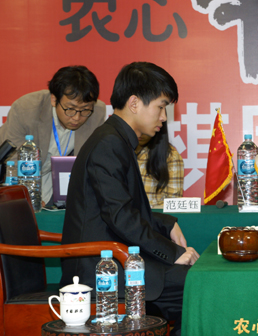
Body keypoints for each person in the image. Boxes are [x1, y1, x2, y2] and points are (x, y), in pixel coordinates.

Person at [60, 62, 199, 336]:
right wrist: (173, 253)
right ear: (134, 103)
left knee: (193, 284)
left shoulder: (116, 139)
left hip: (113, 255)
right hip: (99, 269)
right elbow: (120, 216)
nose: (164, 117)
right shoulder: (109, 144)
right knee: (197, 285)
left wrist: (165, 223)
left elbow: (117, 208)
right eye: (160, 107)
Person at [0, 66, 106, 206]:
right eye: (70, 109)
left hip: (52, 181)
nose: (76, 117)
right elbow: (13, 163)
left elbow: (94, 162)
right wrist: (28, 197)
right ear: (54, 99)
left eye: (85, 110)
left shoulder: (97, 112)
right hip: (18, 179)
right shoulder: (25, 109)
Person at [136, 121, 185, 208]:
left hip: (152, 219)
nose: (141, 132)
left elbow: (173, 205)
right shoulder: (116, 149)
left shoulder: (170, 156)